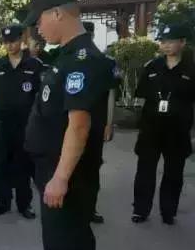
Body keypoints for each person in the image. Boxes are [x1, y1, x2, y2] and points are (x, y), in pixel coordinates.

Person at [22, 0, 112, 250]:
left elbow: (79, 125)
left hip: (68, 175)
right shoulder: (65, 56)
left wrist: (60, 178)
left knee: (71, 246)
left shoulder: (83, 60)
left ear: (57, 13)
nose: (36, 28)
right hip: (50, 168)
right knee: (56, 242)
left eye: (38, 20)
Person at [132, 23, 195, 225]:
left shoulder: (191, 69)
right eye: (163, 42)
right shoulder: (152, 67)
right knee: (145, 170)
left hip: (178, 130)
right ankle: (141, 210)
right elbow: (141, 95)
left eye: (171, 41)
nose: (166, 45)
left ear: (182, 42)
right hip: (151, 128)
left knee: (173, 172)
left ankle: (168, 211)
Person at [0, 24, 42, 219]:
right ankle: (2, 202)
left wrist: (38, 125)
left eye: (13, 41)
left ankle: (24, 204)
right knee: (1, 164)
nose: (10, 45)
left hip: (26, 125)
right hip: (2, 125)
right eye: (6, 42)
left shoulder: (34, 66)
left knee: (23, 164)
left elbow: (40, 98)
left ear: (21, 40)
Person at [82, 21, 121, 224]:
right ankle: (73, 210)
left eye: (88, 34)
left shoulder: (106, 62)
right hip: (69, 124)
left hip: (95, 123)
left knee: (92, 167)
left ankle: (90, 208)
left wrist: (109, 123)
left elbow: (111, 94)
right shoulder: (67, 59)